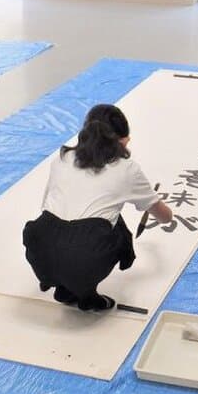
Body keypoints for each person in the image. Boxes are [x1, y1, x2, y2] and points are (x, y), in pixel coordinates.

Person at [22, 104, 173, 311]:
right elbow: (164, 217)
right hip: (83, 257)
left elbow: (46, 204)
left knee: (95, 219)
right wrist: (162, 207)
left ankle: (66, 285)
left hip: (40, 252)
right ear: (123, 140)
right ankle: (87, 295)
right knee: (114, 225)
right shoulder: (126, 168)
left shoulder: (63, 157)